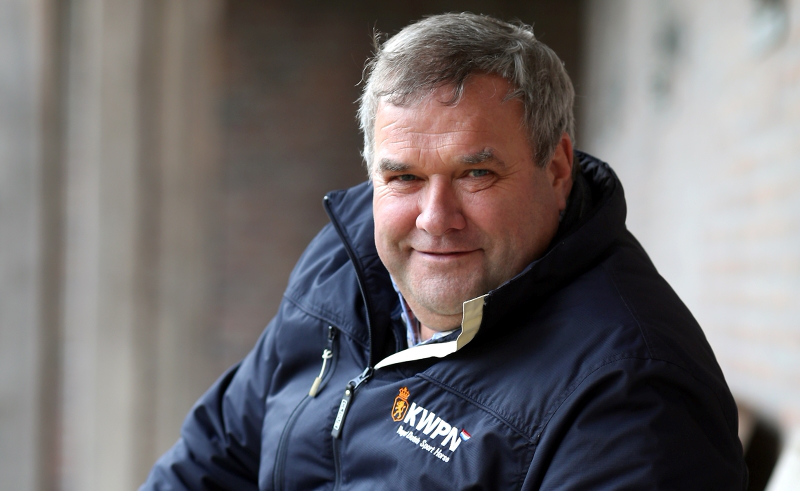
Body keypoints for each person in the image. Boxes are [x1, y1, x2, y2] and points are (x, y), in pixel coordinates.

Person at [141, 13, 746, 490]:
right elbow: (217, 452)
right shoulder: (342, 264)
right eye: (403, 177)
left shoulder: (630, 392)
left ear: (557, 168)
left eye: (476, 173)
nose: (434, 219)